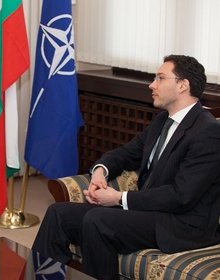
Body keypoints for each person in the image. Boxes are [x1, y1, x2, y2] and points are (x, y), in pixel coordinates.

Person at [31, 55, 220, 279]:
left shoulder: (207, 131)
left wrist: (119, 198)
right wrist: (100, 171)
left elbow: (181, 196)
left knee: (98, 221)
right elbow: (126, 153)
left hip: (182, 223)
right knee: (58, 213)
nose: (152, 84)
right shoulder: (162, 121)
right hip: (149, 212)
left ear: (183, 85)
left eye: (160, 78)